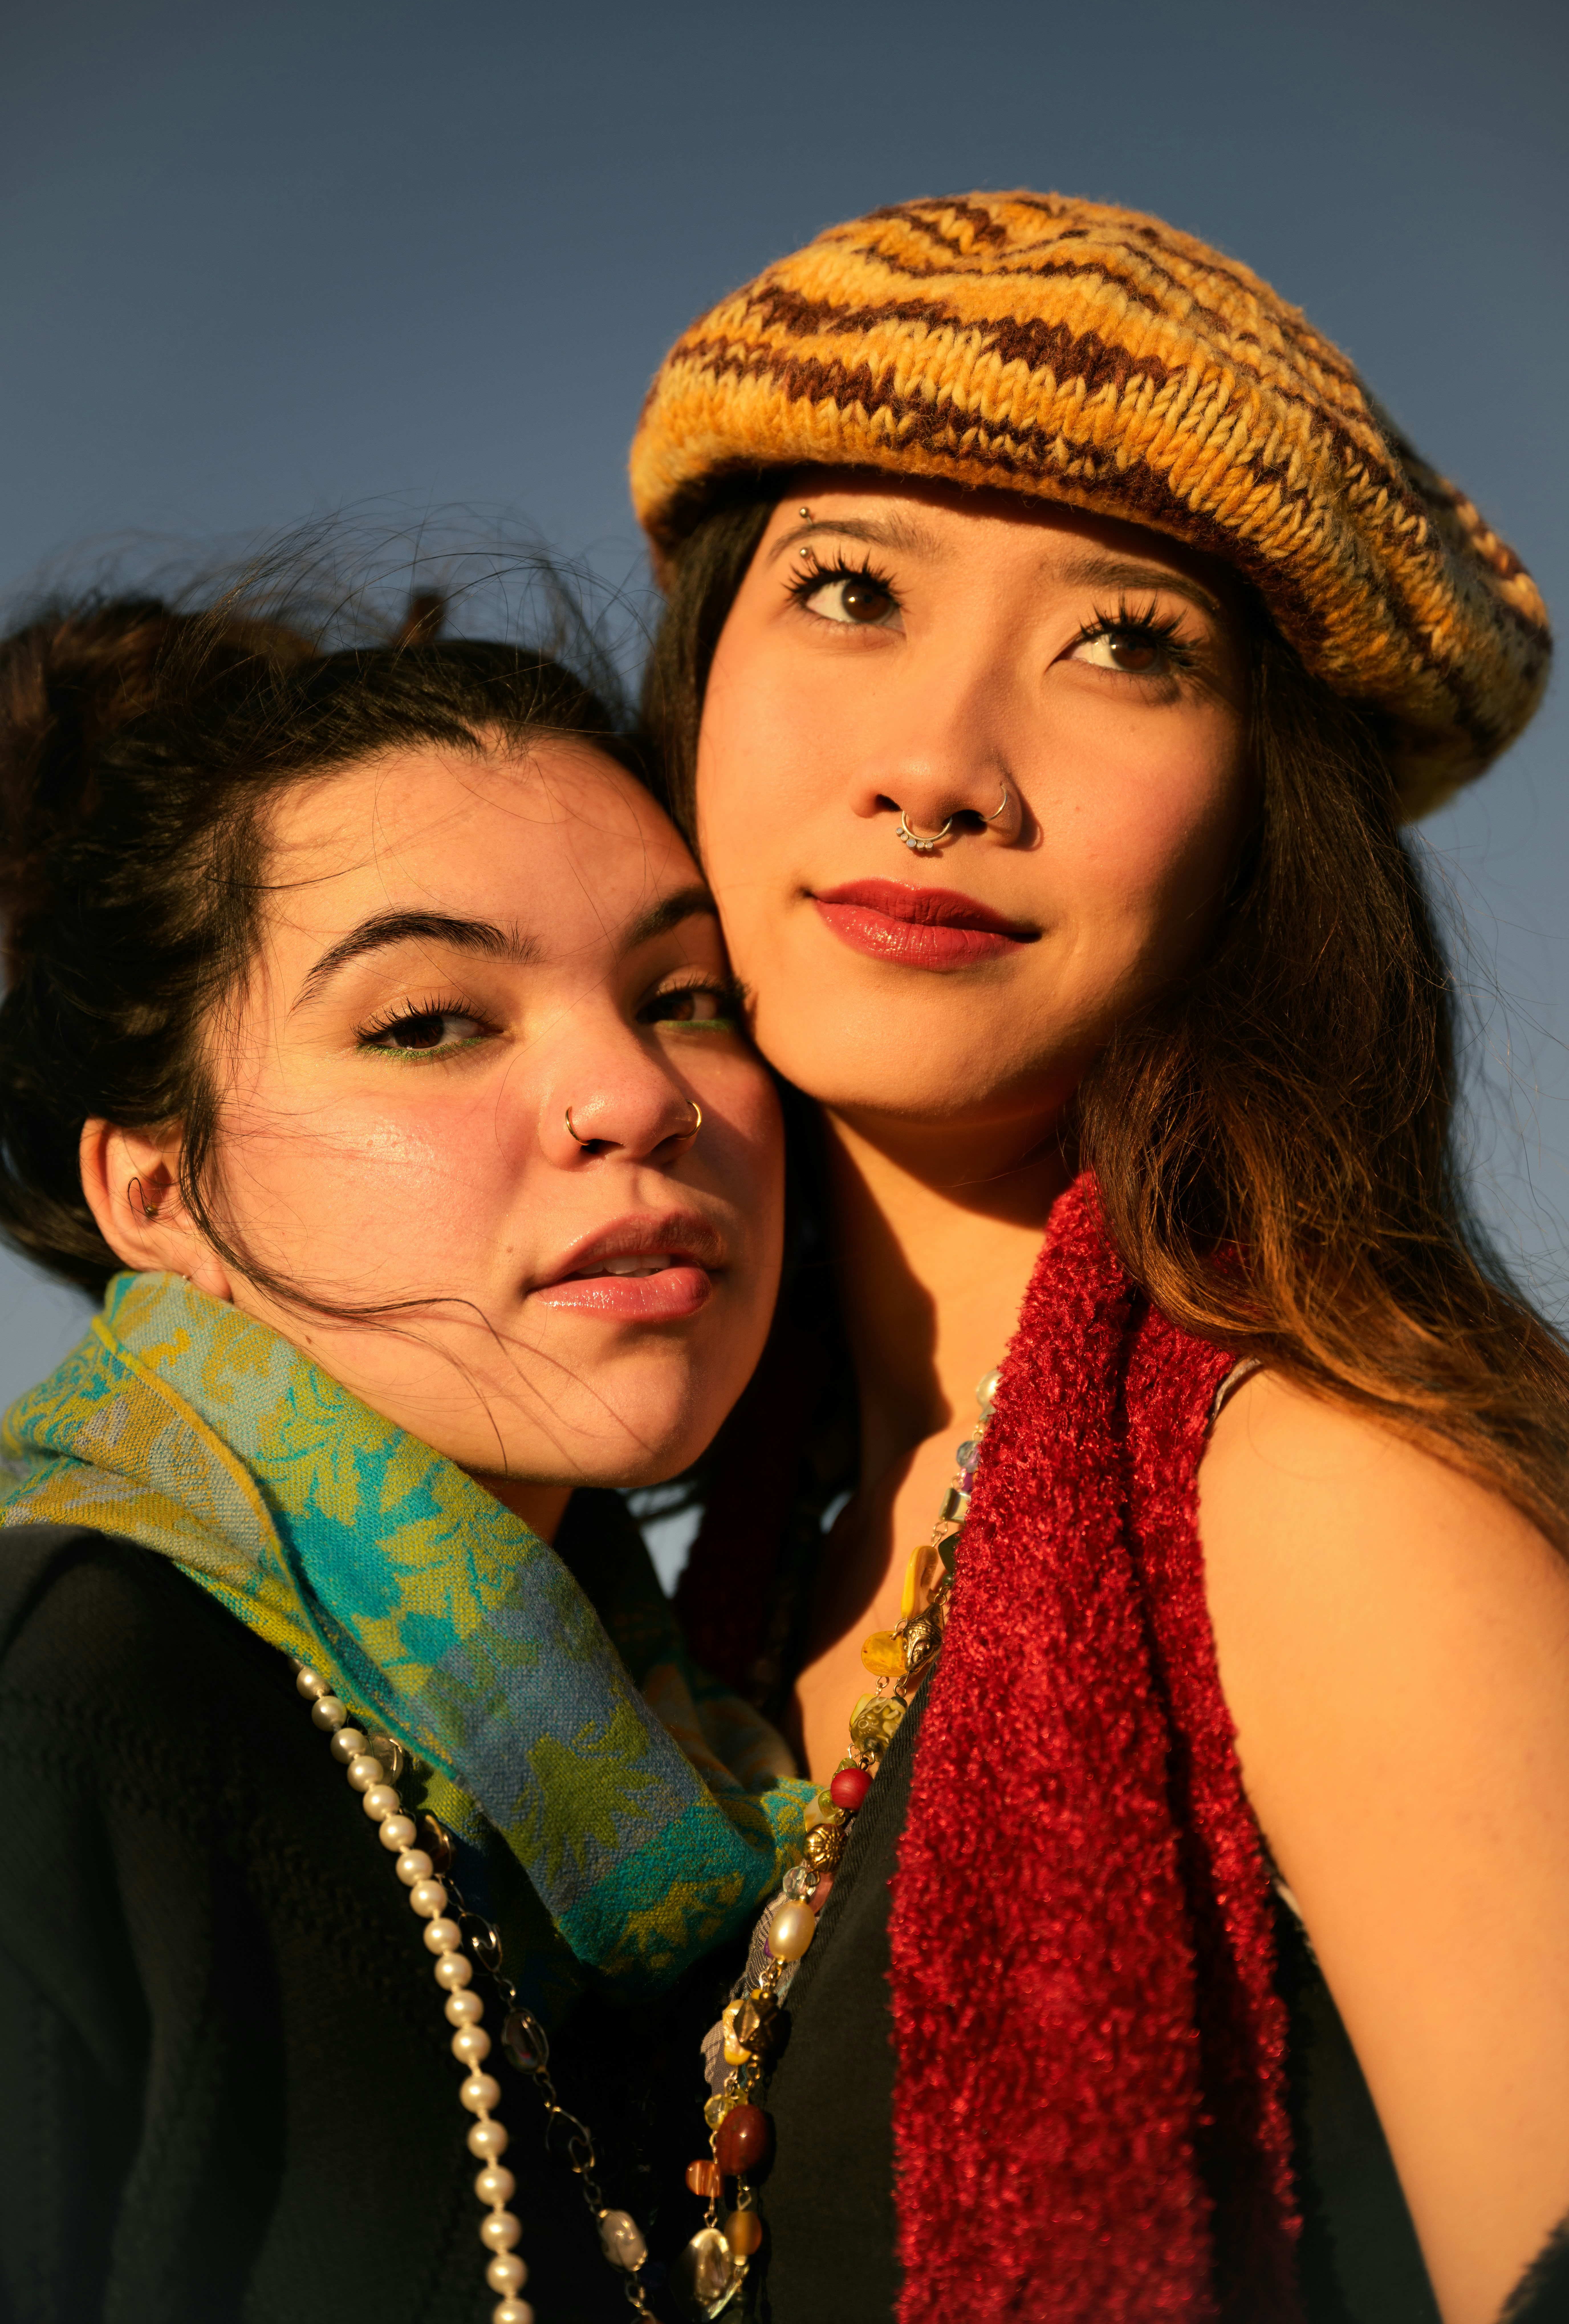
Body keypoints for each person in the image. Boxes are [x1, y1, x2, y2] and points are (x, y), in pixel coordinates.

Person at [631, 193, 1568, 2324]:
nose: (941, 770)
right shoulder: (753, 1557)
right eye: (850, 592)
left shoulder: (1324, 1498)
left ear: (1264, 820)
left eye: (1128, 650)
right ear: (699, 677)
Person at [0, 580, 813, 2323]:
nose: (639, 1095)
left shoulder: (695, 1765)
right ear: (155, 1191)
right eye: (432, 1021)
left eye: (689, 995)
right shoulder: (63, 1709)